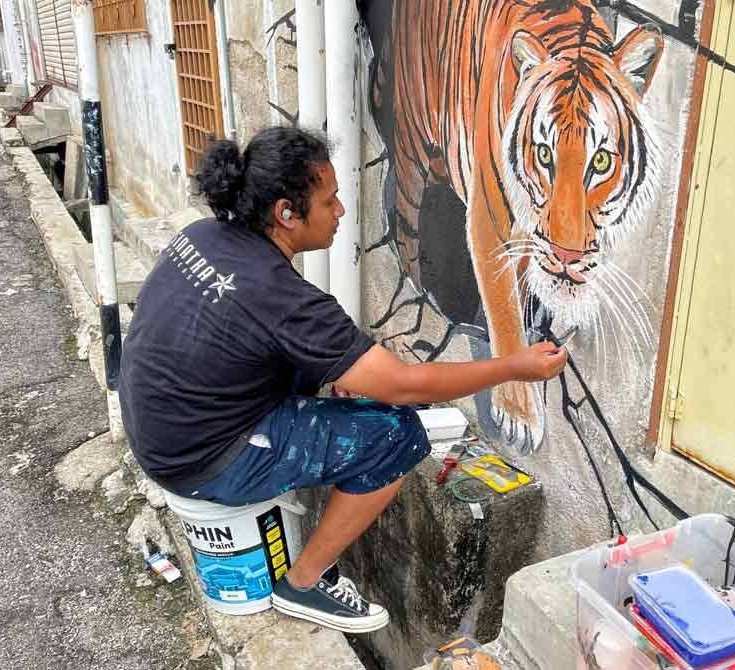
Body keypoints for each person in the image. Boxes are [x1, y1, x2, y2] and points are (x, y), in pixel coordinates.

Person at [118, 126, 567, 634]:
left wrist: (331, 374)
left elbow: (235, 341)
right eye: (329, 202)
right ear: (287, 214)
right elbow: (405, 386)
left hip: (156, 432)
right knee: (398, 435)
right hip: (202, 460)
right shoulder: (284, 298)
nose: (341, 212)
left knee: (334, 383)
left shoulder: (202, 236)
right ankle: (303, 584)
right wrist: (515, 365)